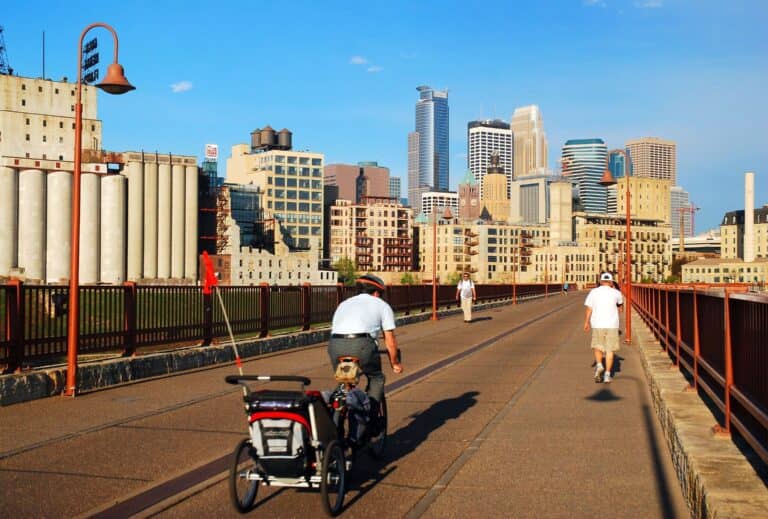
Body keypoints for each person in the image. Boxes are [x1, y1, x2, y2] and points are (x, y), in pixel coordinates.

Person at [328, 273, 403, 409]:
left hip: (335, 344)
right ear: (376, 292)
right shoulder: (382, 305)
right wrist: (395, 362)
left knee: (344, 380)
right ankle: (372, 419)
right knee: (376, 378)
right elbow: (390, 340)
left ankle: (338, 409)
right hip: (362, 345)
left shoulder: (344, 303)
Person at [584, 272, 624, 384]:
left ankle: (600, 365)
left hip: (597, 324)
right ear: (611, 282)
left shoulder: (593, 292)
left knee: (598, 347)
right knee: (609, 350)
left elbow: (589, 308)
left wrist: (586, 322)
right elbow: (621, 308)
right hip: (612, 325)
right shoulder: (616, 293)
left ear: (600, 281)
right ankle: (607, 375)